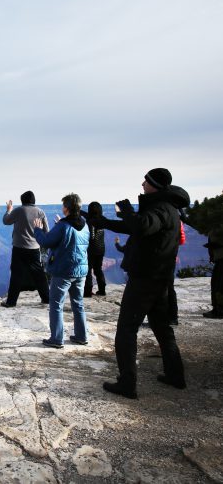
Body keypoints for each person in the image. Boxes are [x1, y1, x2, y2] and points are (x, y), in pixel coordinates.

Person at [92, 168, 189, 399]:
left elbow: (141, 225)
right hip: (160, 279)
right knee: (162, 328)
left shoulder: (160, 209)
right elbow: (135, 227)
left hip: (146, 279)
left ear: (155, 184)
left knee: (126, 329)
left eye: (146, 181)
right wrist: (104, 221)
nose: (142, 184)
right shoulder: (167, 208)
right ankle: (175, 376)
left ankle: (127, 383)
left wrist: (125, 210)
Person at [32, 194, 90, 348]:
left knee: (56, 304)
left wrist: (37, 230)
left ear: (67, 208)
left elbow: (46, 241)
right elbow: (75, 243)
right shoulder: (85, 225)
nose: (62, 207)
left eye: (63, 205)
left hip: (63, 271)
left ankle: (57, 339)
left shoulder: (63, 226)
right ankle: (81, 336)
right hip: (80, 270)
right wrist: (60, 227)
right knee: (78, 304)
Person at [1, 191, 50, 307]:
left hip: (19, 247)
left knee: (16, 274)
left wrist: (9, 209)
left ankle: (11, 302)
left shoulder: (19, 210)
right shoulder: (40, 212)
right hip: (34, 248)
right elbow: (46, 231)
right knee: (39, 274)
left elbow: (6, 221)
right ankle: (47, 298)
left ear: (23, 201)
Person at [80, 202, 106, 298]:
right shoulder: (102, 219)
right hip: (101, 248)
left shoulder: (90, 221)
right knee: (98, 269)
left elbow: (91, 237)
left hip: (92, 249)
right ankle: (102, 290)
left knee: (88, 270)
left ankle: (87, 292)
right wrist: (79, 210)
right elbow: (87, 215)